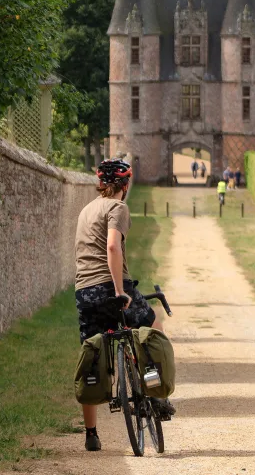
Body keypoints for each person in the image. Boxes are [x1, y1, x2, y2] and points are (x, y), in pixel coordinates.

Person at [74, 159, 174, 452]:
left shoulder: (85, 211)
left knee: (92, 353)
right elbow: (113, 246)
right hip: (111, 285)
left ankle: (91, 434)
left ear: (101, 183)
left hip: (84, 291)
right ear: (125, 185)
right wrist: (119, 290)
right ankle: (154, 391)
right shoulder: (118, 208)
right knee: (152, 322)